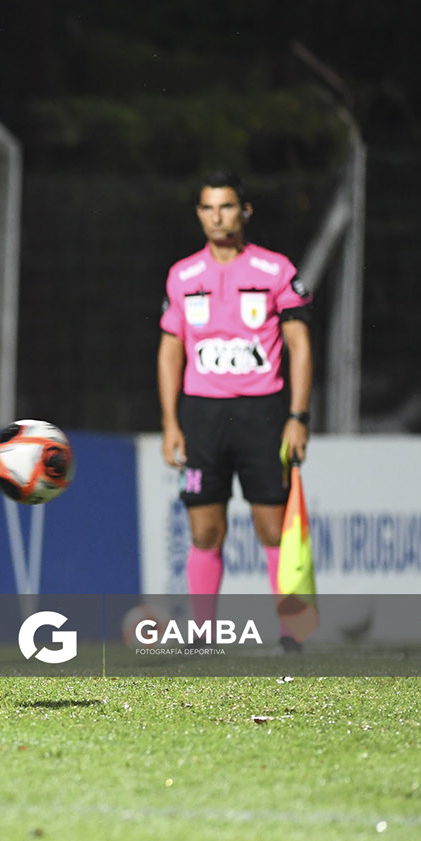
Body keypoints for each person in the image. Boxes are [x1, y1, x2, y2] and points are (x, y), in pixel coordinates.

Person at [157, 171, 314, 651]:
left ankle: (292, 633)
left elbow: (300, 346)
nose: (216, 217)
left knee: (272, 526)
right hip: (203, 416)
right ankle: (202, 637)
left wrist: (298, 416)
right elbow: (170, 351)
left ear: (245, 211)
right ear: (199, 214)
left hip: (263, 414)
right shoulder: (182, 275)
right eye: (207, 208)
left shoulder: (275, 270)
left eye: (226, 207)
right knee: (205, 529)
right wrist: (170, 423)